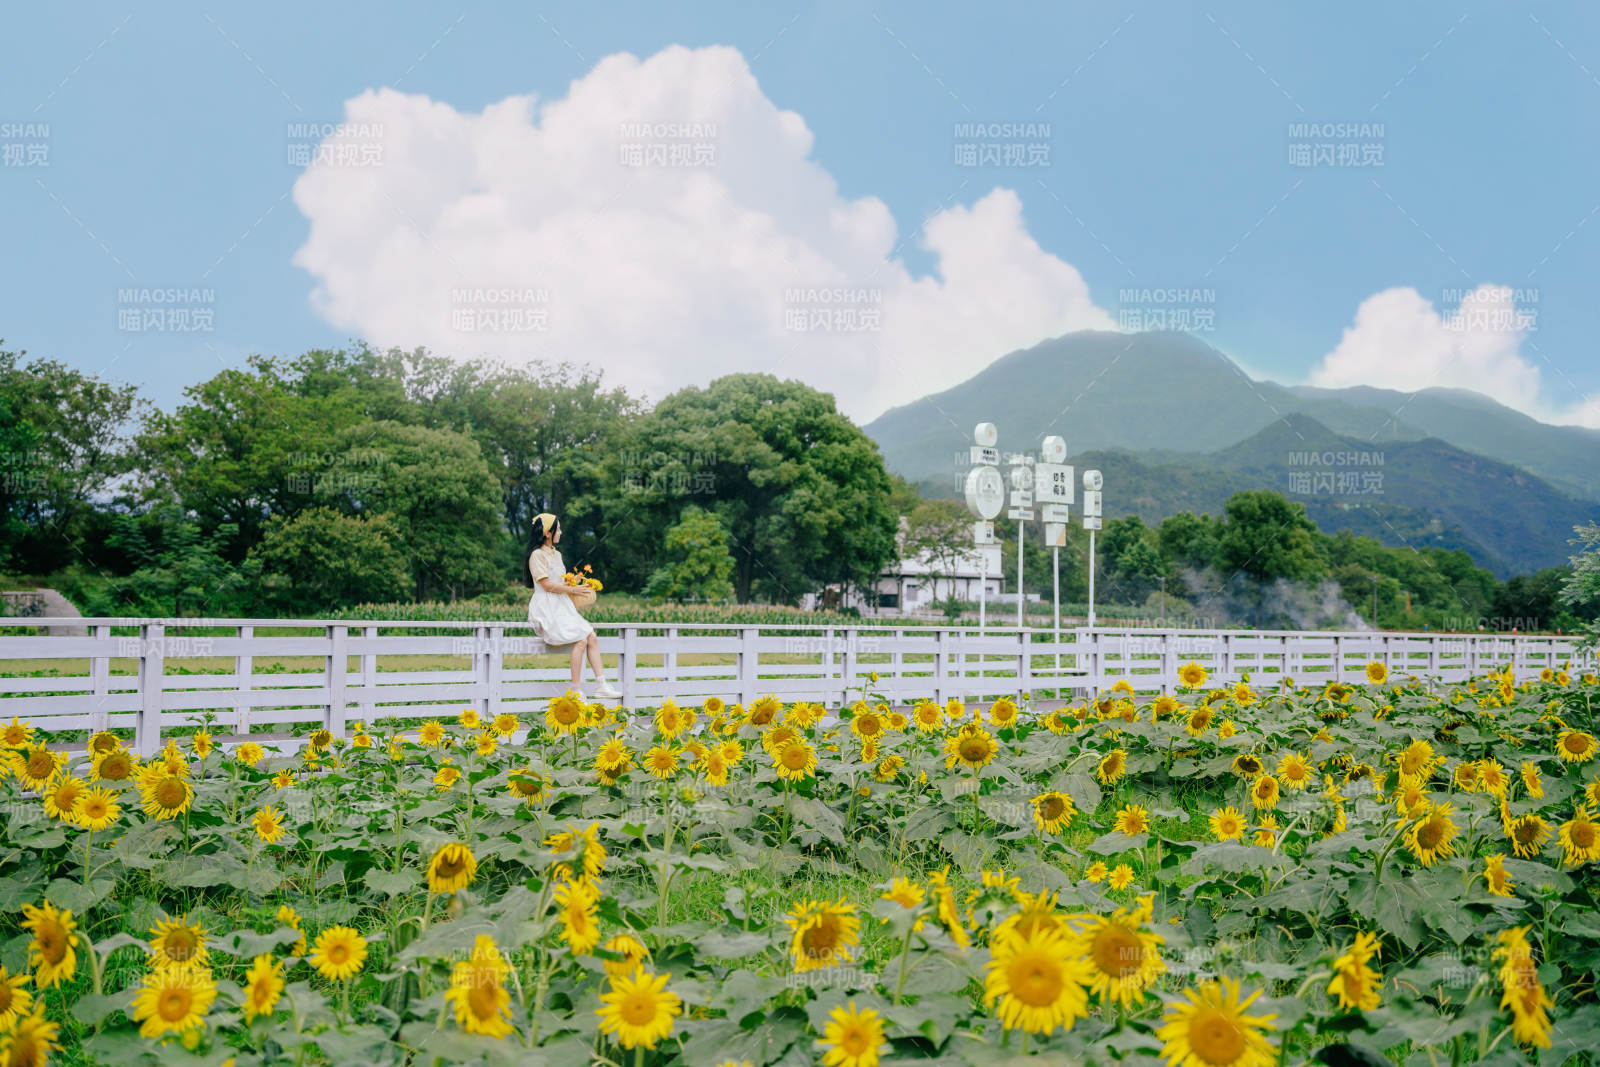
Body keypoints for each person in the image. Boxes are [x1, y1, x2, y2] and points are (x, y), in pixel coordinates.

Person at [524, 513, 622, 699]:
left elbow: (559, 582)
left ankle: (601, 683)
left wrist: (575, 584)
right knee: (582, 639)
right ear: (547, 533)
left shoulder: (557, 554)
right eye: (558, 529)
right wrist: (573, 591)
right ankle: (576, 690)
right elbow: (546, 585)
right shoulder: (537, 555)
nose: (561, 532)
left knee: (591, 635)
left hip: (561, 605)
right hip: (547, 607)